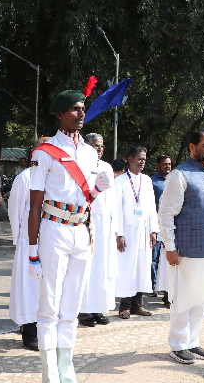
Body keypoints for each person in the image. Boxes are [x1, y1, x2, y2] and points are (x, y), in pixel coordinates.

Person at [27, 87, 110, 381]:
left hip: (81, 230)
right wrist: (32, 251)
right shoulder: (43, 152)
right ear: (60, 114)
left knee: (72, 306)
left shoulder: (89, 153)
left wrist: (98, 187)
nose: (81, 113)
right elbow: (35, 204)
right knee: (49, 306)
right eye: (74, 109)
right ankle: (50, 372)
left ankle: (67, 368)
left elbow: (87, 196)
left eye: (83, 108)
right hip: (53, 229)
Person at [157, 129, 204, 364]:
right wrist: (170, 246)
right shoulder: (179, 175)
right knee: (184, 299)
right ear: (191, 147)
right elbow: (166, 214)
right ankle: (177, 344)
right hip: (187, 249)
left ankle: (192, 341)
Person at [78, 133, 119, 327]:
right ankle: (83, 311)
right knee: (87, 267)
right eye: (95, 145)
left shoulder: (107, 167)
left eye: (102, 146)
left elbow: (112, 199)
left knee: (101, 268)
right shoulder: (79, 164)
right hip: (87, 222)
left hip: (105, 226)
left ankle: (97, 308)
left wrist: (116, 229)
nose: (100, 149)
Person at [7, 140, 44, 351]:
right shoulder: (25, 178)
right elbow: (15, 211)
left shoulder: (55, 177)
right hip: (28, 241)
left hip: (51, 241)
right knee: (29, 289)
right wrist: (20, 241)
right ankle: (30, 333)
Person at [115, 146, 159, 319]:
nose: (142, 162)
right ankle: (124, 306)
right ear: (129, 159)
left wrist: (153, 230)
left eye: (144, 159)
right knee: (128, 268)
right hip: (127, 230)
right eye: (139, 159)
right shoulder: (120, 181)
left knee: (142, 266)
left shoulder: (147, 180)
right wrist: (119, 234)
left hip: (144, 230)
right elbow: (117, 208)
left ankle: (138, 305)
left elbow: (152, 206)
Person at [150, 154, 173, 299]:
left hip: (169, 226)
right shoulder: (152, 181)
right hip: (155, 225)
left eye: (169, 164)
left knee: (166, 258)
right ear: (158, 165)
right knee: (153, 257)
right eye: (165, 164)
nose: (168, 166)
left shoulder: (174, 181)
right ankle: (151, 286)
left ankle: (165, 288)